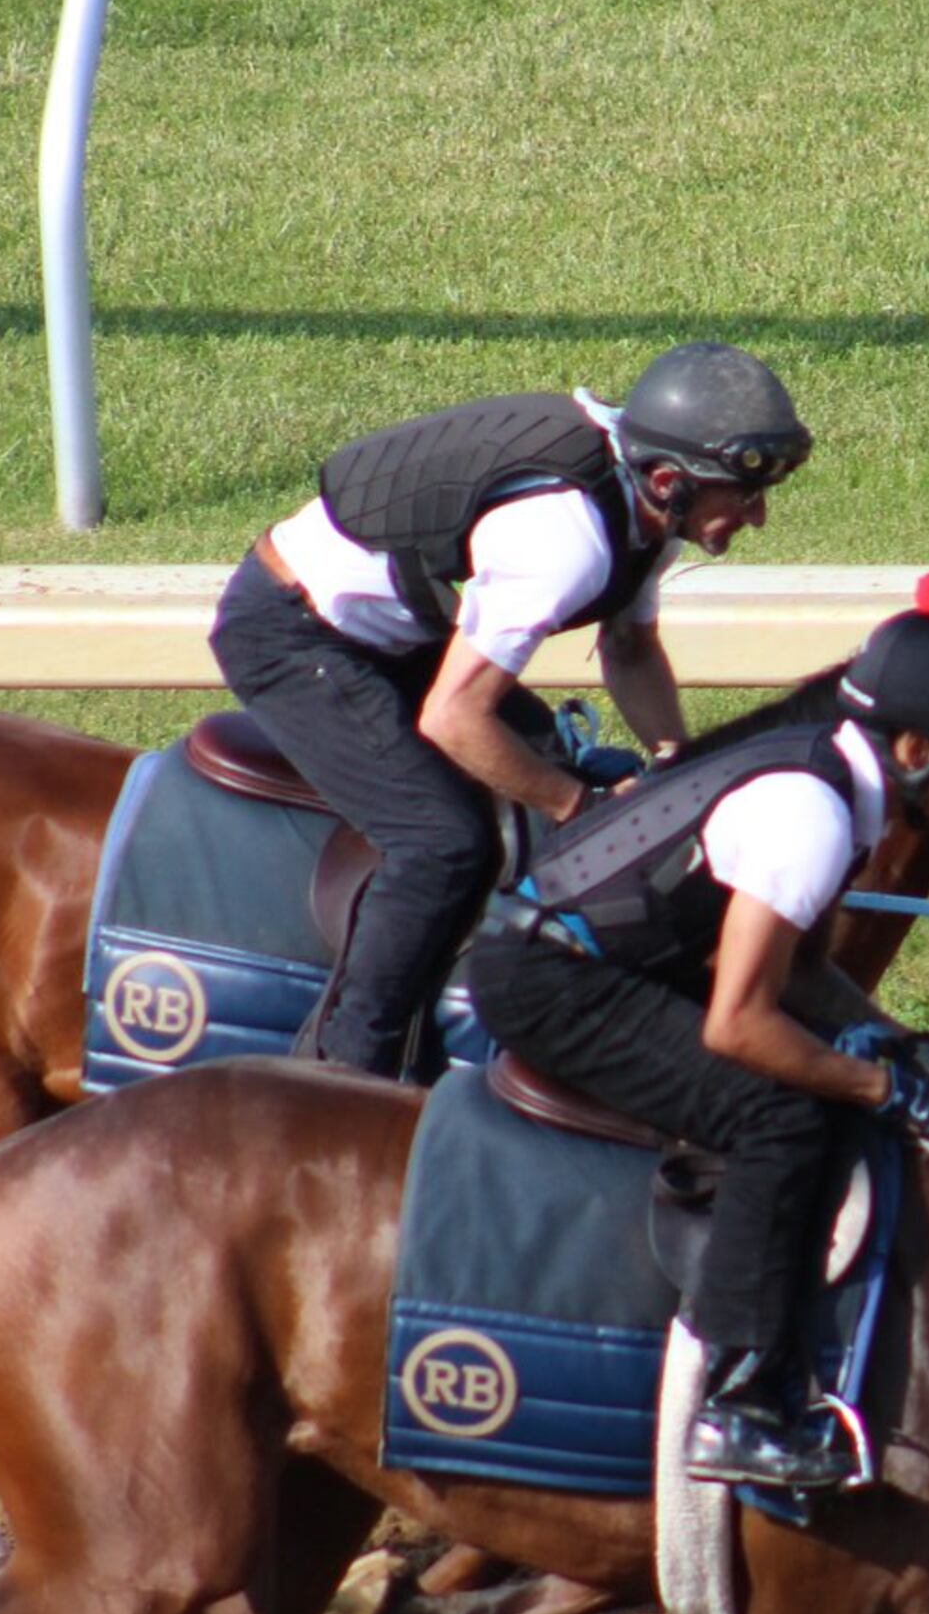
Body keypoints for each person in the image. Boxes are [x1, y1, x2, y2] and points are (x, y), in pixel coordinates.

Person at [461, 574, 929, 1490]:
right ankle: (738, 1405)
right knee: (782, 1115)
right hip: (548, 984)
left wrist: (897, 1041)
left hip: (592, 958)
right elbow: (740, 1025)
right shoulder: (807, 816)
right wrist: (876, 1086)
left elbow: (803, 971)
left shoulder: (830, 770)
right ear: (921, 747)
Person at [208, 343, 809, 1079]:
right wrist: (576, 805)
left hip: (402, 635)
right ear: (667, 479)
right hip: (294, 634)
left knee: (571, 776)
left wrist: (676, 770)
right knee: (443, 843)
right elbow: (454, 719)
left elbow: (630, 648)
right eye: (743, 495)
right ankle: (344, 1071)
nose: (759, 516)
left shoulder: (647, 510)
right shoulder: (566, 543)